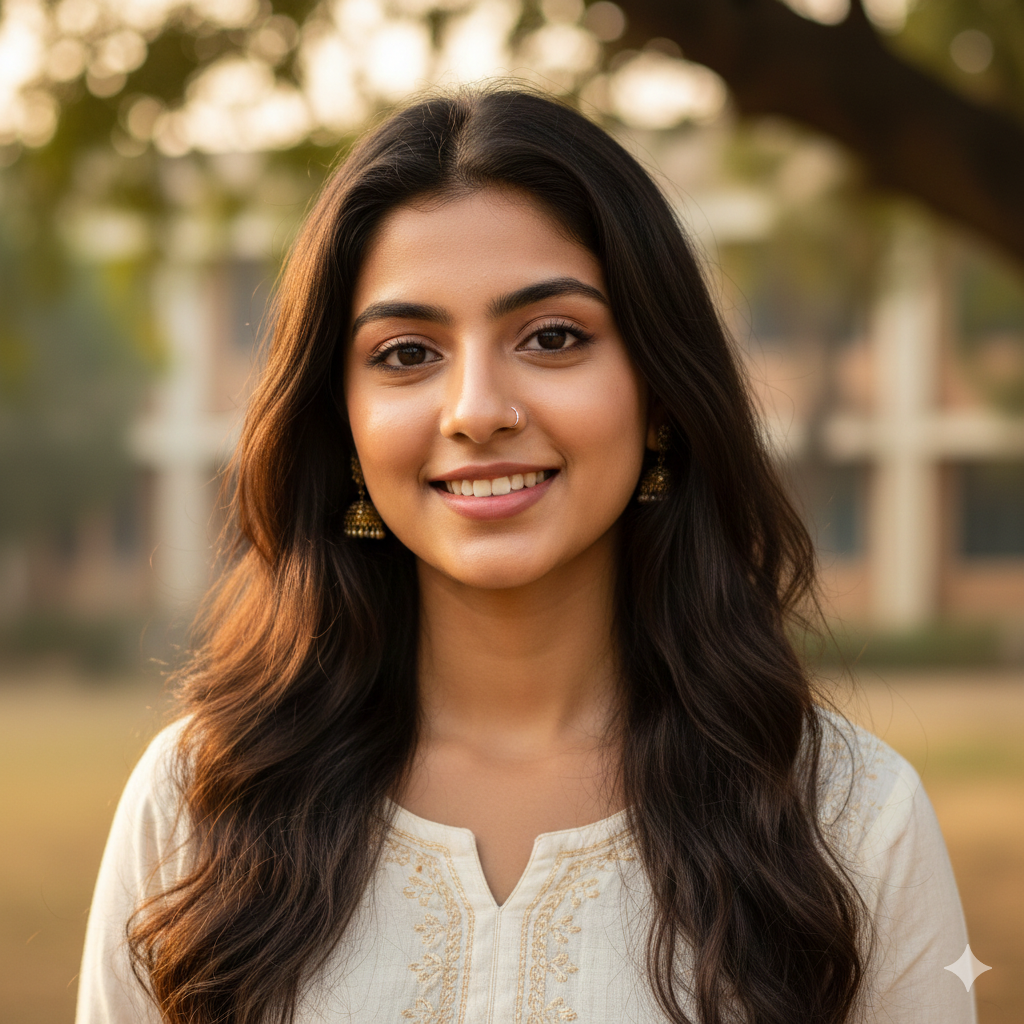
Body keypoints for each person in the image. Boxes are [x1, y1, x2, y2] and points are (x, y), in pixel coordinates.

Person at [76, 87, 976, 1024]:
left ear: (660, 393)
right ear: (342, 423)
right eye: (407, 353)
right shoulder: (201, 805)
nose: (476, 410)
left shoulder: (849, 821)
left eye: (552, 338)